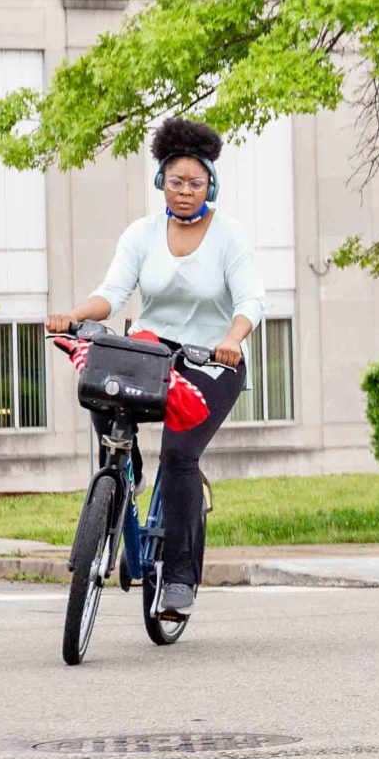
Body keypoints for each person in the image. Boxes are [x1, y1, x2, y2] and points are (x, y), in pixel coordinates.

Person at [47, 118, 262, 621]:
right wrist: (74, 316)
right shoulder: (141, 234)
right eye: (176, 181)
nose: (185, 192)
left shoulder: (230, 236)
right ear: (160, 181)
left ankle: (182, 580)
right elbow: (112, 294)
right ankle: (125, 477)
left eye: (196, 183)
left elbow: (251, 297)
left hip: (210, 360)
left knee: (181, 455)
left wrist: (233, 338)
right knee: (101, 387)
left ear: (211, 183)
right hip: (152, 351)